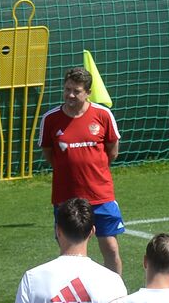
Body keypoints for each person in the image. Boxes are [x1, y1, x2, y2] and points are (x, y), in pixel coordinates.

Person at [39, 69, 124, 274]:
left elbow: (112, 152)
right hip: (66, 197)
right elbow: (49, 154)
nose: (70, 95)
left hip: (100, 195)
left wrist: (92, 169)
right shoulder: (50, 119)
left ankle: (116, 296)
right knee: (68, 253)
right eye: (67, 89)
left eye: (76, 91)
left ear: (88, 92)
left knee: (111, 248)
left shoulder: (103, 115)